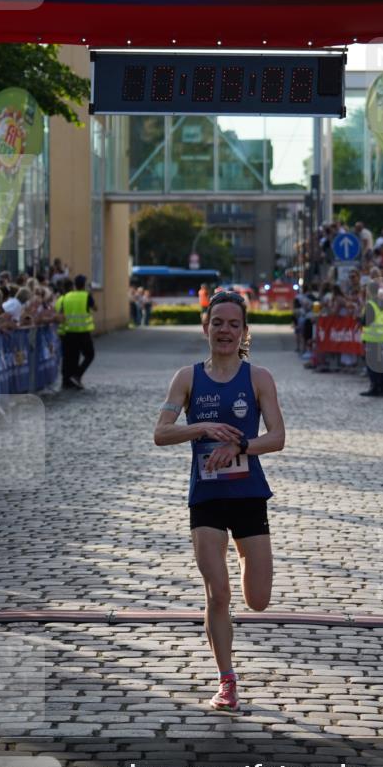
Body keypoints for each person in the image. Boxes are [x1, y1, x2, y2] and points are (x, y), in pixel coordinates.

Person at [153, 290, 285, 712]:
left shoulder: (259, 378)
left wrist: (241, 445)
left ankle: (247, 559)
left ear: (244, 332)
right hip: (206, 497)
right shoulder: (187, 378)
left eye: (233, 324)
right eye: (217, 323)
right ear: (205, 327)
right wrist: (201, 427)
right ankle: (227, 681)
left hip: (249, 495)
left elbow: (277, 437)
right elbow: (161, 433)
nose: (224, 330)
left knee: (257, 599)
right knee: (218, 592)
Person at [57, 275, 96, 388]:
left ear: (75, 285)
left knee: (70, 357)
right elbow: (95, 308)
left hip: (69, 332)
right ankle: (77, 375)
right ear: (84, 285)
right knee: (90, 355)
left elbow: (61, 312)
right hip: (83, 332)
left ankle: (66, 381)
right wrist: (90, 294)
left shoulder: (67, 296)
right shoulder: (86, 296)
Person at [360, 280, 383, 397]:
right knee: (379, 364)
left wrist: (360, 319)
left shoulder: (371, 304)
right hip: (380, 337)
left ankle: (375, 388)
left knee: (372, 365)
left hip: (371, 338)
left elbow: (366, 321)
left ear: (369, 291)